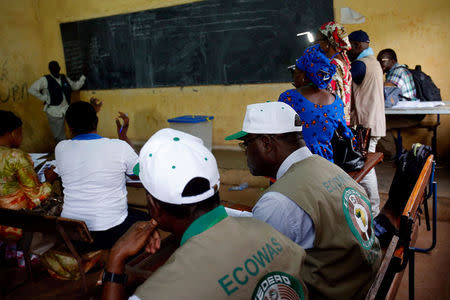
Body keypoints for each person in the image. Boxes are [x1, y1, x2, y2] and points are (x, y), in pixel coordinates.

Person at [102, 128, 308, 300]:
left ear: (154, 206)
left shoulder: (160, 292)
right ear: (215, 186)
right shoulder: (269, 230)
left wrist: (116, 259)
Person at [225, 101, 381, 299]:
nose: (245, 152)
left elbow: (254, 267)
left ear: (266, 143)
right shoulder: (325, 165)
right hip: (361, 281)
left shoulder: (278, 201)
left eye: (246, 144)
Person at [53, 101, 148, 250]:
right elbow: (140, 173)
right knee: (147, 221)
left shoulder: (61, 148)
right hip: (110, 232)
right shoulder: (119, 147)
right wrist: (124, 138)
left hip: (74, 233)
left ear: (69, 126)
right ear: (96, 122)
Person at [279, 44, 355, 162]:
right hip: (324, 163)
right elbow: (346, 133)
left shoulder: (288, 97)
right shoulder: (337, 102)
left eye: (296, 71)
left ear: (304, 76)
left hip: (294, 160)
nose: (293, 75)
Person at [0, 110, 56, 266]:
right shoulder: (16, 156)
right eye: (20, 133)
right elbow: (36, 196)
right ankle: (26, 250)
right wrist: (49, 180)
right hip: (14, 222)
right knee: (54, 202)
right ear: (13, 133)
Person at [347, 30, 386, 216]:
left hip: (366, 125)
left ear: (357, 45)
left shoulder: (361, 65)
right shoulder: (374, 62)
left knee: (365, 167)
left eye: (350, 46)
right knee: (365, 165)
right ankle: (370, 207)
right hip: (371, 121)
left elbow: (344, 80)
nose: (348, 50)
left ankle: (374, 210)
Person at [376, 49, 424, 159]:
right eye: (378, 61)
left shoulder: (397, 73)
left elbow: (387, 102)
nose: (379, 63)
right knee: (380, 122)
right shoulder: (397, 71)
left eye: (382, 60)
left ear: (392, 61)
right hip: (406, 112)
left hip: (409, 115)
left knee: (378, 123)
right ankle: (398, 150)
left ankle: (395, 153)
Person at [28, 61, 86, 143]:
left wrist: (83, 77)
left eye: (56, 68)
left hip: (66, 108)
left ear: (59, 68)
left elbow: (75, 87)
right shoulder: (45, 80)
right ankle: (62, 152)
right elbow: (31, 89)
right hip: (53, 111)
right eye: (52, 68)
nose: (55, 70)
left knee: (76, 129)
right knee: (59, 137)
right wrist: (45, 98)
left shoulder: (64, 78)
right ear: (50, 70)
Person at [316, 21, 353, 124]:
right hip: (342, 120)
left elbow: (331, 96)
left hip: (334, 122)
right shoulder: (342, 60)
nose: (315, 45)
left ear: (328, 42)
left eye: (317, 41)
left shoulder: (333, 65)